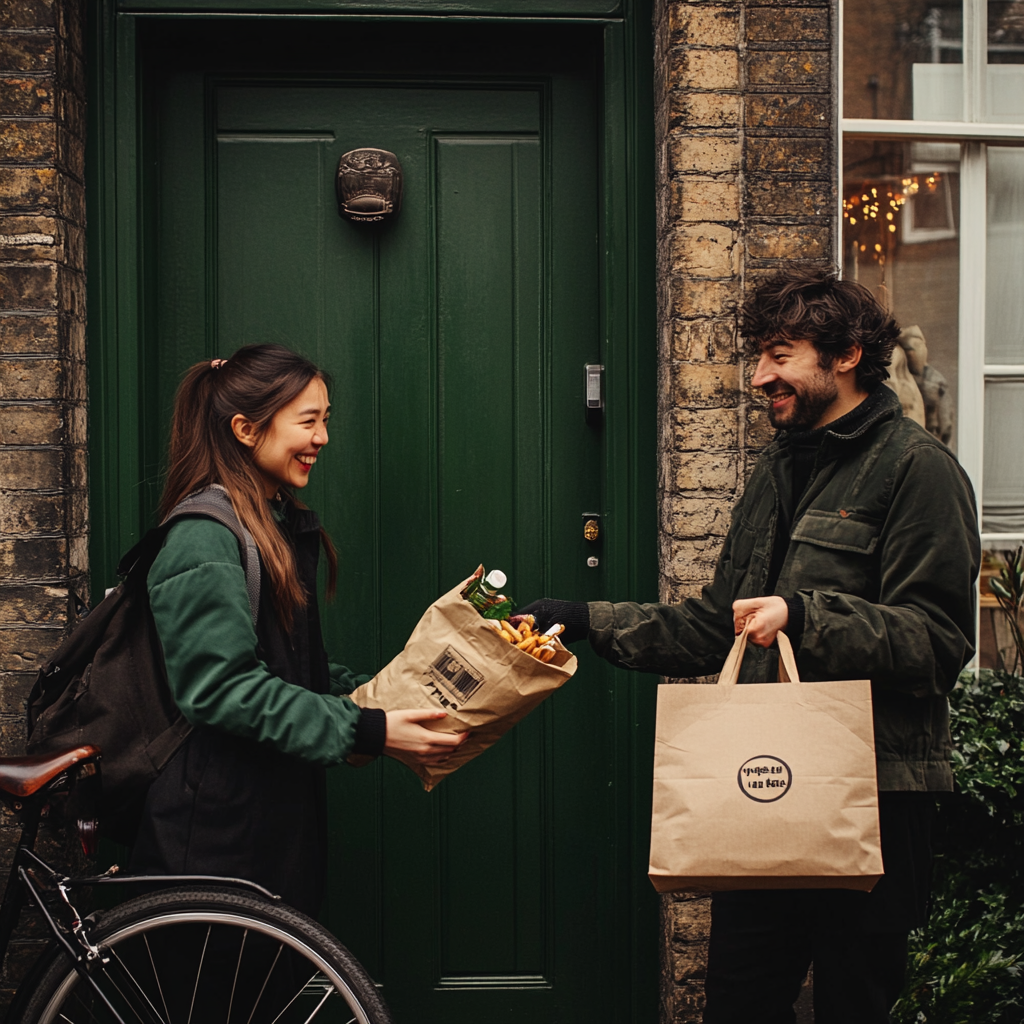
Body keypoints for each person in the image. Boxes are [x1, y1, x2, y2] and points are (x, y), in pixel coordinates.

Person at [520, 270, 980, 1023]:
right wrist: (584, 619)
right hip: (765, 787)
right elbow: (714, 623)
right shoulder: (779, 465)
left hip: (872, 797)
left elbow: (937, 643)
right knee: (736, 1002)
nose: (759, 376)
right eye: (759, 356)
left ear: (845, 355)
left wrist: (804, 615)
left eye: (779, 354)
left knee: (852, 1006)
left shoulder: (918, 471)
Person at [130, 344, 466, 918]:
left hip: (262, 822)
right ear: (245, 429)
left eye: (326, 420)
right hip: (213, 835)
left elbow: (293, 668)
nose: (323, 438)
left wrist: (385, 703)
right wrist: (367, 730)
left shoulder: (271, 526)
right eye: (308, 421)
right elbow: (223, 689)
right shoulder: (203, 538)